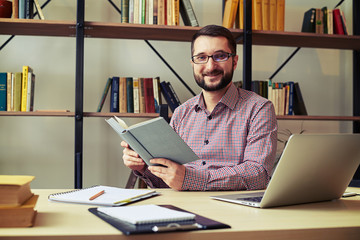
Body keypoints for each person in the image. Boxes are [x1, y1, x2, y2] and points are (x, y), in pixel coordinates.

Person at [121, 24, 277, 191]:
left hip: (234, 209)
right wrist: (143, 167)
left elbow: (258, 174)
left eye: (220, 56)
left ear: (235, 61)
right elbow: (171, 180)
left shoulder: (259, 109)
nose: (210, 66)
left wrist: (194, 179)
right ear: (193, 63)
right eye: (201, 57)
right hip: (184, 207)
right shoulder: (181, 113)